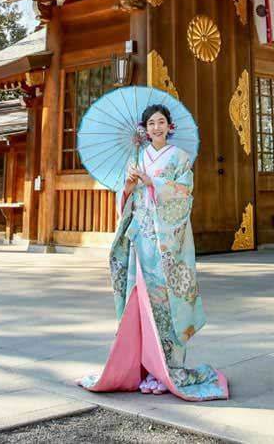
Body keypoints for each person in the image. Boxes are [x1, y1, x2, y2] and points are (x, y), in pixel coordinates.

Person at [79, 103, 228, 401]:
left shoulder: (179, 158)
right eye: (151, 124)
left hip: (166, 243)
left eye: (161, 122)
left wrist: (154, 182)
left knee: (165, 302)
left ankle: (169, 369)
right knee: (139, 301)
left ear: (169, 126)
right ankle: (145, 368)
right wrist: (130, 186)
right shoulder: (136, 157)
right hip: (140, 240)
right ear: (144, 130)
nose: (156, 128)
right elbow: (126, 202)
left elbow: (184, 196)